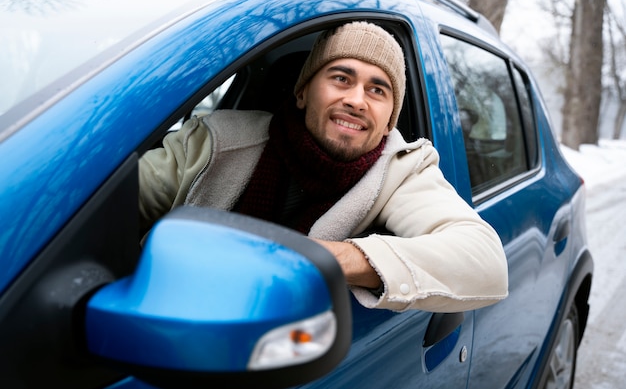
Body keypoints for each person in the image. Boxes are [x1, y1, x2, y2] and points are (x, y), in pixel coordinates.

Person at [139, 21, 508, 312]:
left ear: (390, 119)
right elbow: (102, 200)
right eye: (341, 78)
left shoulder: (402, 171)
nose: (356, 100)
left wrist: (333, 258)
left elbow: (484, 261)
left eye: (377, 90)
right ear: (302, 92)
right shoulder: (214, 142)